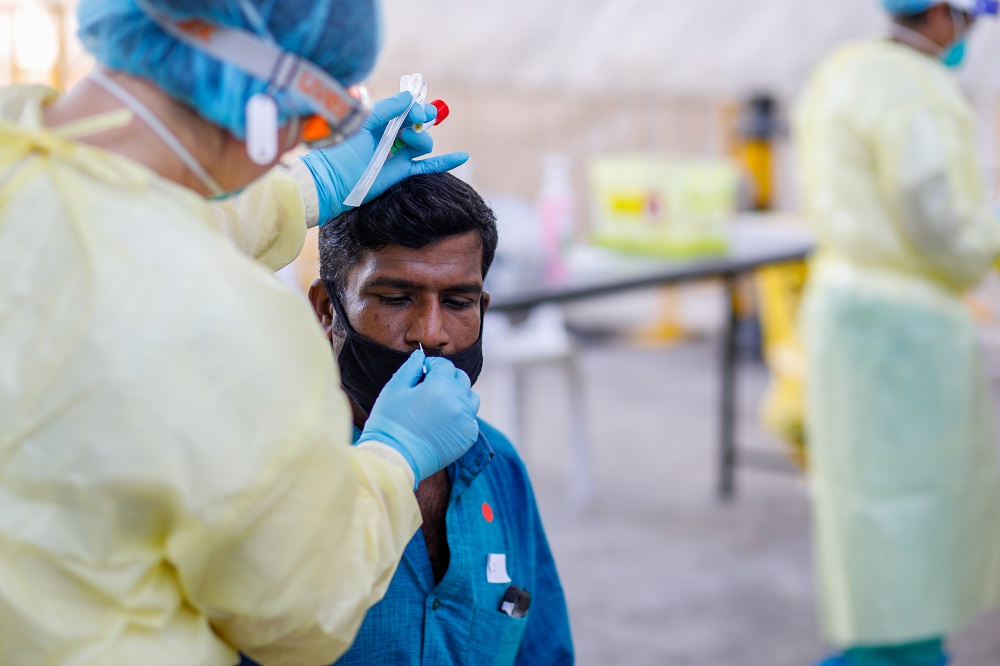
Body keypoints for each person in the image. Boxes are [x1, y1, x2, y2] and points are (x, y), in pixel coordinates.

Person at [0, 1, 483, 664]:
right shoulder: (223, 325)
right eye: (310, 121)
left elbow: (104, 226)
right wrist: (394, 460)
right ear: (260, 106)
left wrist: (307, 188)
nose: (294, 145)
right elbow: (297, 607)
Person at [280, 172, 573, 665]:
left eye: (458, 303)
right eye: (396, 299)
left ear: (483, 307)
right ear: (327, 311)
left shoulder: (498, 468)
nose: (432, 333)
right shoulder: (269, 471)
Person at [793, 1, 1000, 664]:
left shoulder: (842, 70)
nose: (968, 35)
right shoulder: (920, 91)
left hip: (843, 308)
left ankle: (887, 641)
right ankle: (905, 648)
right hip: (907, 324)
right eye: (969, 19)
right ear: (941, 13)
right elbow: (938, 220)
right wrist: (985, 243)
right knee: (917, 501)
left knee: (863, 497)